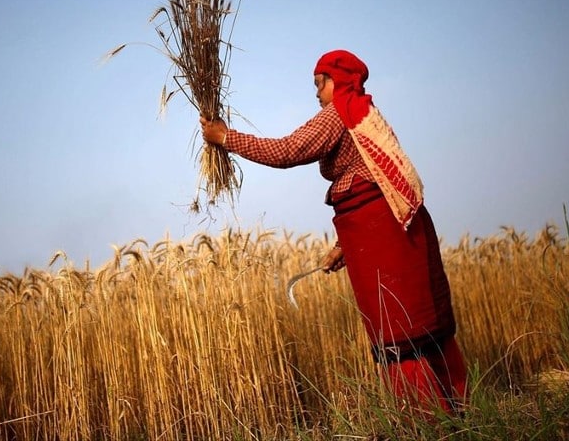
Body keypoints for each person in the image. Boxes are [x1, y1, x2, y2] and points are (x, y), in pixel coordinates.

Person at [200, 49, 467, 415]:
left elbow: (287, 150)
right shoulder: (363, 116)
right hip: (396, 234)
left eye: (319, 83)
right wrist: (346, 245)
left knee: (401, 329)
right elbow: (376, 182)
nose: (316, 93)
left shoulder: (339, 113)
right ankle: (458, 409)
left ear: (337, 80)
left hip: (386, 239)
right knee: (420, 321)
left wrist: (226, 138)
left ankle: (425, 422)